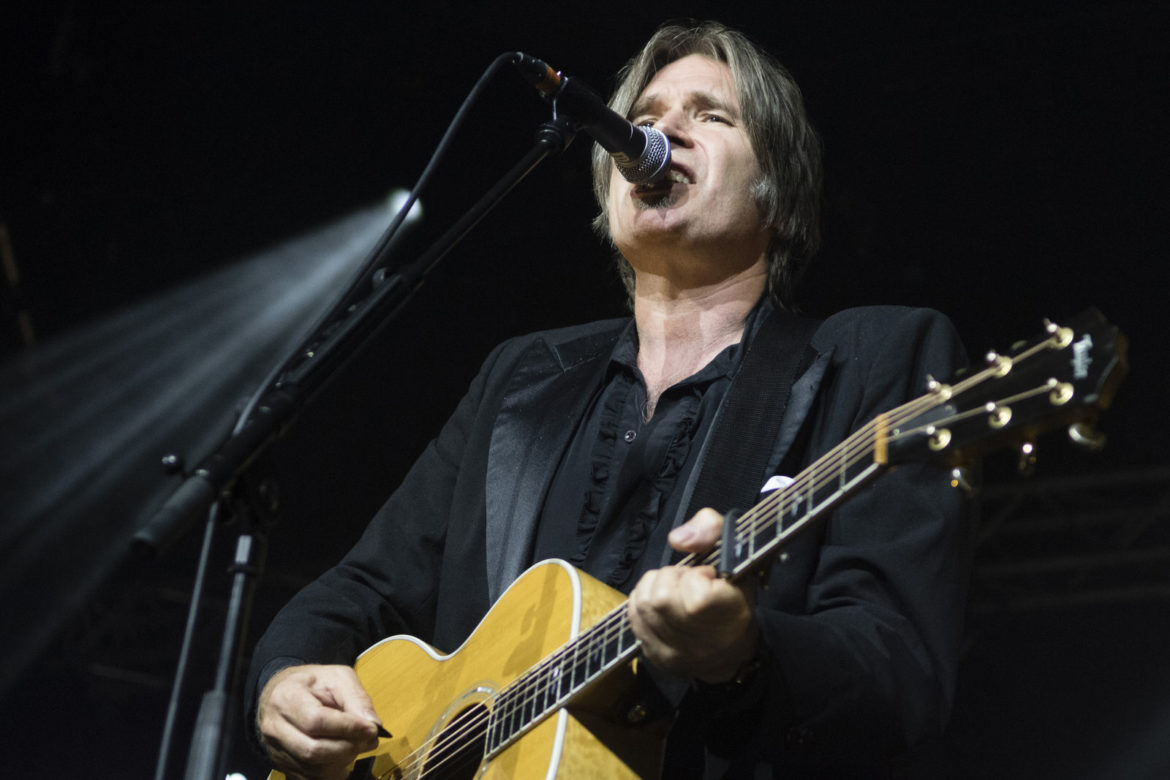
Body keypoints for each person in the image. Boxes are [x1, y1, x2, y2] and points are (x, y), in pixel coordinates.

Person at [247, 20, 972, 778]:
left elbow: (901, 668)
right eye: (648, 115)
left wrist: (742, 655)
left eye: (711, 115)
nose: (660, 131)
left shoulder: (874, 360)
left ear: (780, 197)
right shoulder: (520, 378)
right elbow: (367, 587)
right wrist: (287, 674)